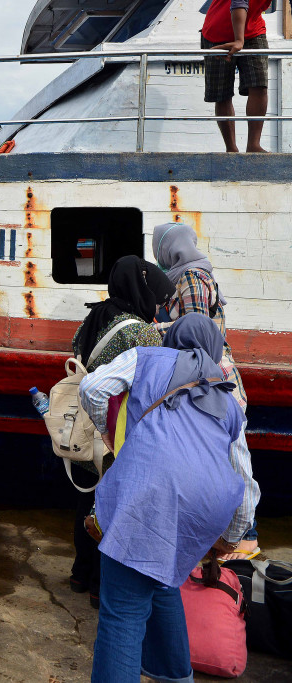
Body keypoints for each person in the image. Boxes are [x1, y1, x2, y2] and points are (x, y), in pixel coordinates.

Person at [79, 313, 258, 682]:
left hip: (149, 495)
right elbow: (245, 481)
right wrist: (231, 538)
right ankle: (176, 676)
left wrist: (112, 436)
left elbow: (92, 389)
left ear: (172, 338)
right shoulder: (227, 397)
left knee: (122, 612)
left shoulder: (149, 357)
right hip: (203, 511)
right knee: (162, 582)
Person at [68, 255, 174, 609]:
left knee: (86, 500)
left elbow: (77, 351)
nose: (158, 306)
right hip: (116, 432)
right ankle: (103, 586)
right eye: (157, 298)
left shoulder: (93, 316)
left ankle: (80, 574)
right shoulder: (140, 331)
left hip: (84, 430)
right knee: (111, 510)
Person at [152, 221, 257, 560]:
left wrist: (150, 328)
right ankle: (230, 531)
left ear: (168, 249)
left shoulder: (190, 279)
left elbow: (195, 331)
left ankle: (246, 536)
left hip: (210, 378)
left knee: (229, 456)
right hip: (208, 375)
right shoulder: (193, 274)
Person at [201, 0, 271, 153]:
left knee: (259, 85)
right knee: (222, 94)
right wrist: (239, 40)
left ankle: (253, 145)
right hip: (218, 31)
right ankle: (231, 148)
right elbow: (239, 2)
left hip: (253, 30)